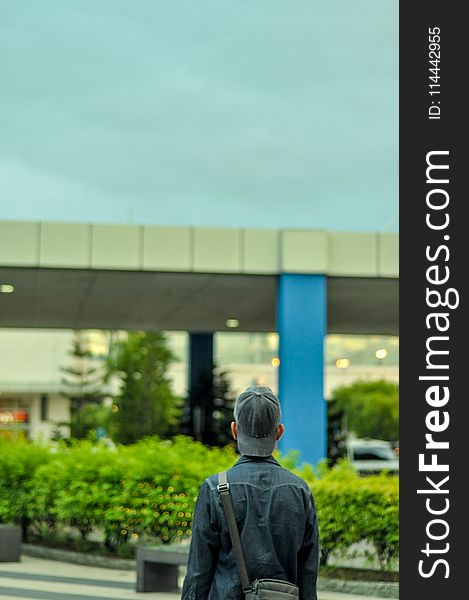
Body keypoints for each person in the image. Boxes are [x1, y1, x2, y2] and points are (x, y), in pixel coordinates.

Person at [181, 385, 319, 600]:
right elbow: (308, 576)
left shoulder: (214, 488)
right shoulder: (300, 491)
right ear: (279, 432)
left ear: (234, 430)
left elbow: (198, 574)